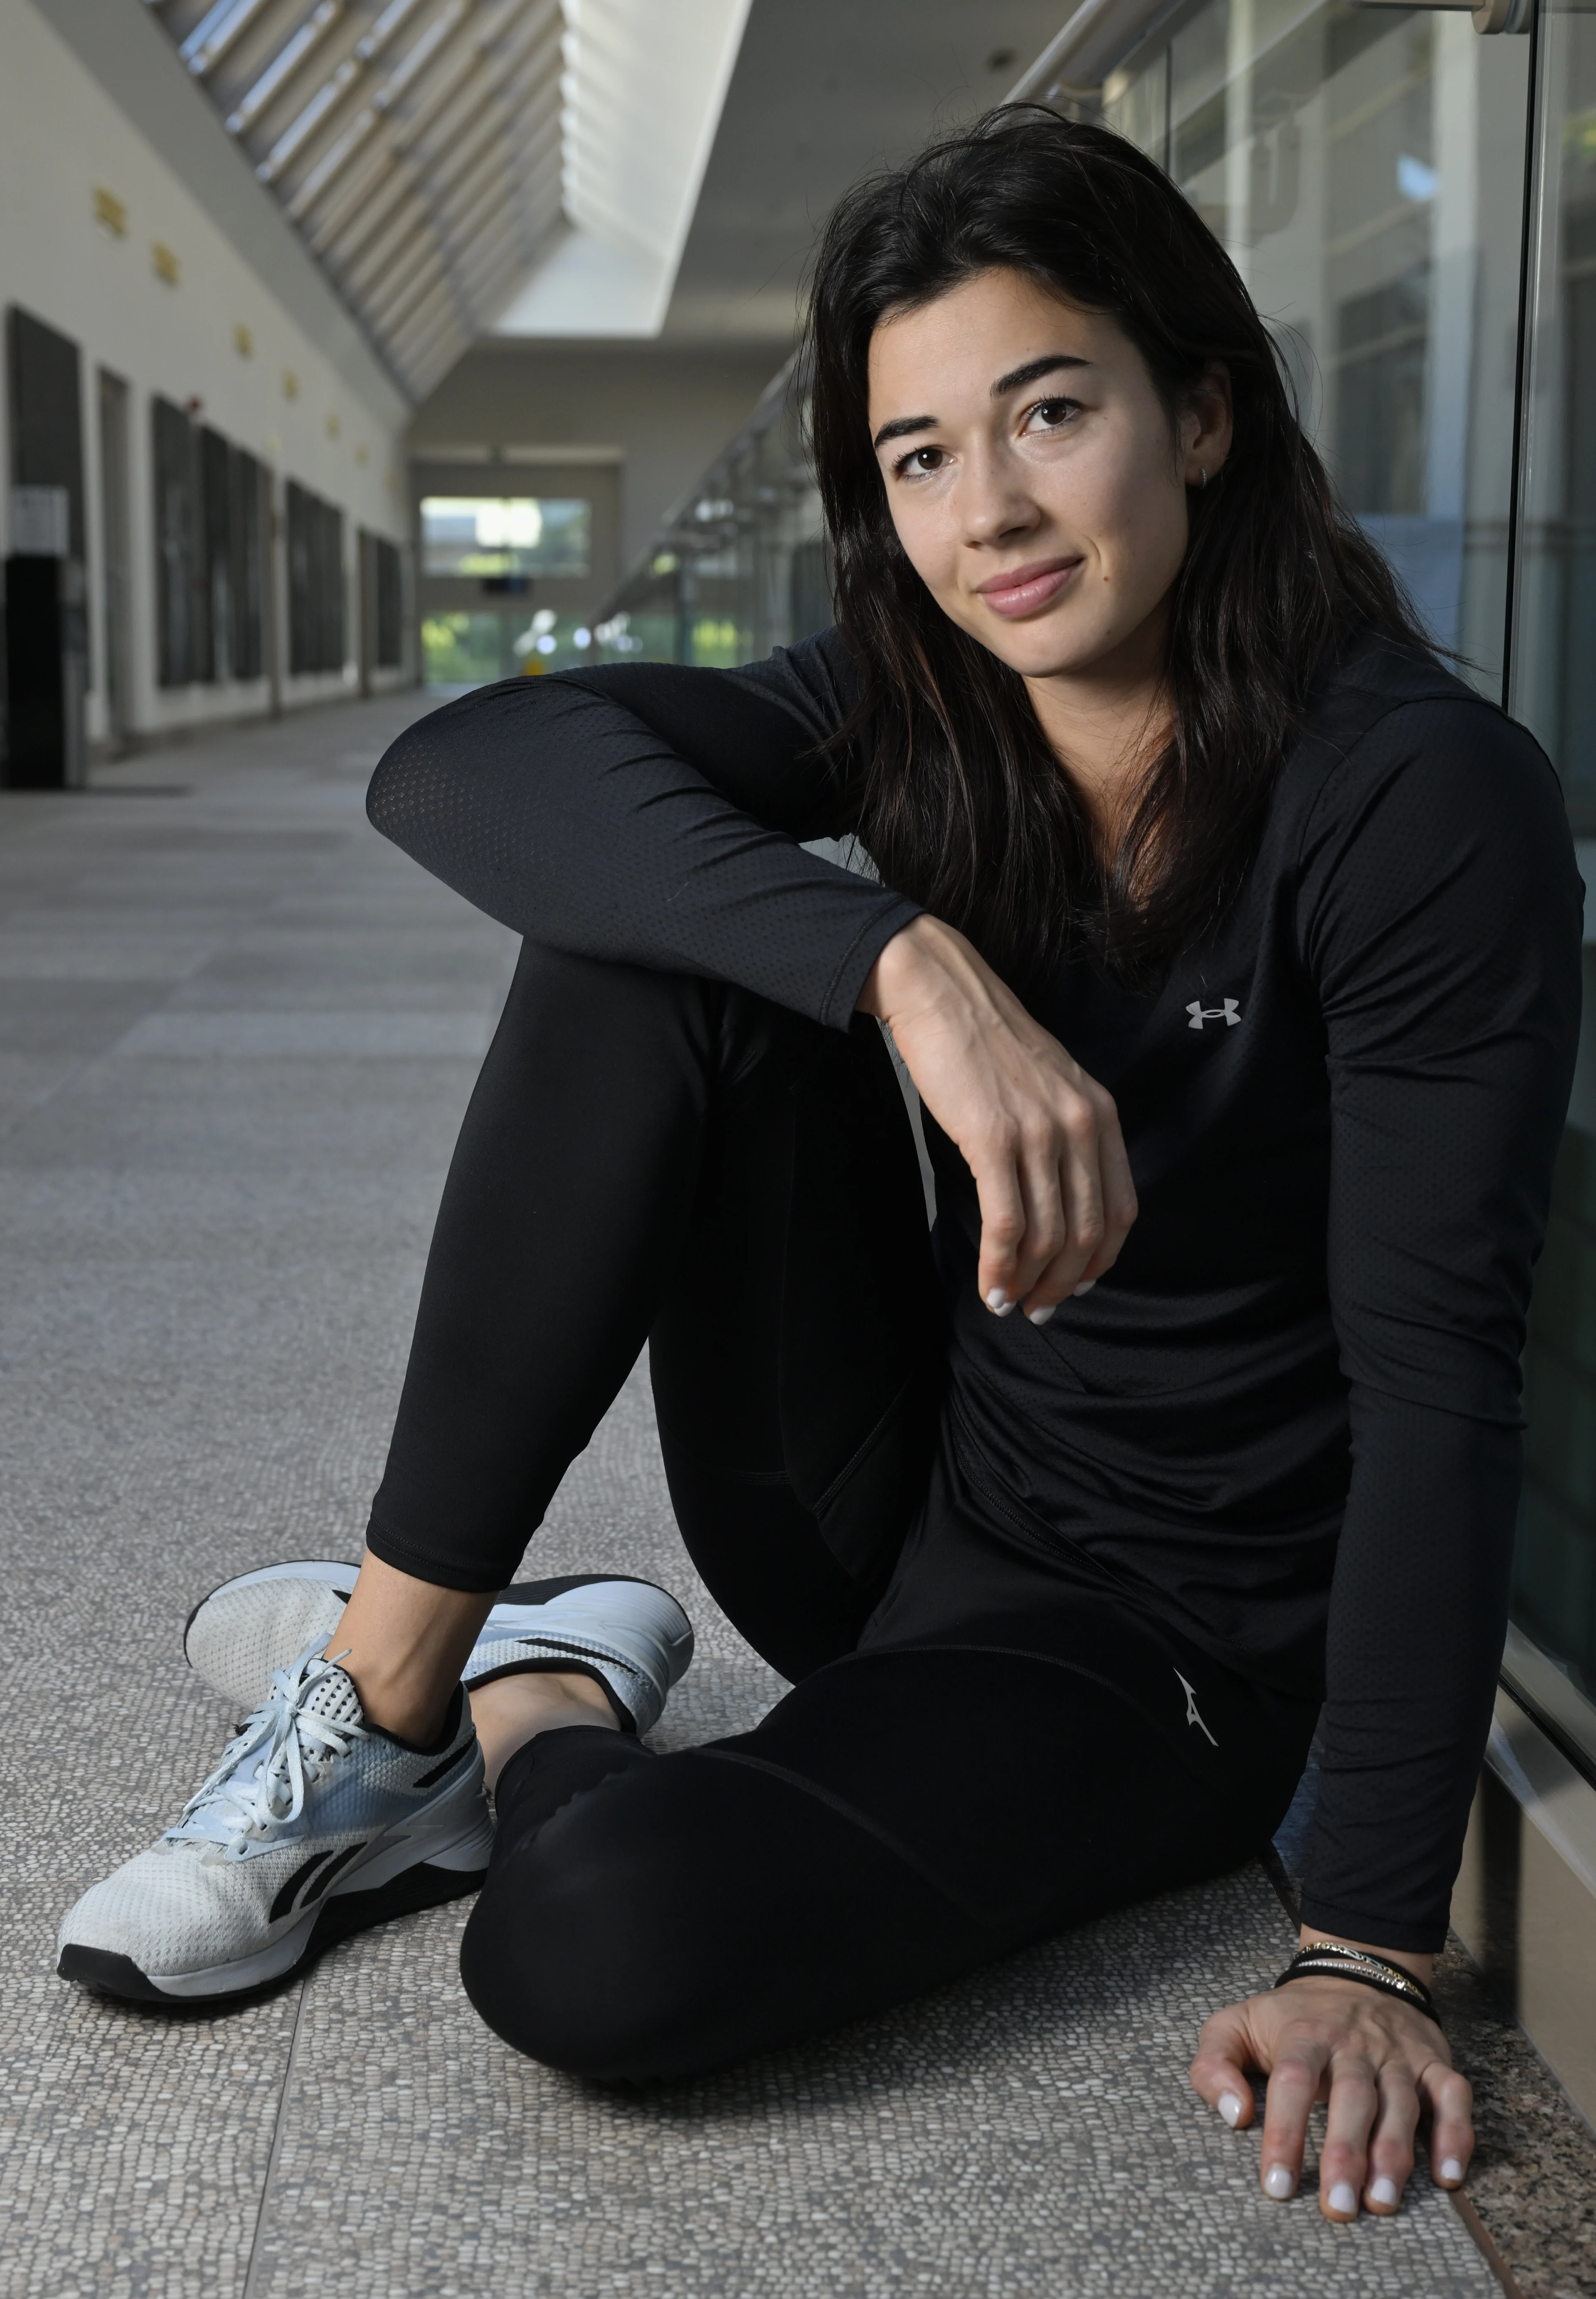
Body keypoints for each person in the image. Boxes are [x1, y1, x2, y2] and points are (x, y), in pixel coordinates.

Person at [58, 110, 1579, 2227]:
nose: (993, 514)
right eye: (921, 456)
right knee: (640, 940)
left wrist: (1363, 1940)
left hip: (1160, 1641)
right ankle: (387, 1690)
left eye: (1051, 412)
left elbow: (1442, 1384)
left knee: (599, 1946)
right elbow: (465, 764)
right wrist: (900, 955)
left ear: (1204, 410)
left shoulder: (1415, 797)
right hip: (893, 1491)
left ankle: (537, 1677)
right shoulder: (931, 705)